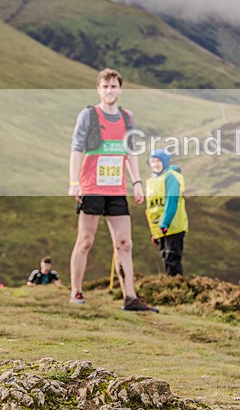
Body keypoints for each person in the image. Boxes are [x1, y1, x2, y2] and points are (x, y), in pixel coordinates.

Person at [68, 68, 159, 313]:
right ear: (98, 89)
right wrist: (74, 182)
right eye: (105, 86)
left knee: (124, 243)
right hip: (91, 187)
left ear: (120, 89)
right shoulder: (89, 115)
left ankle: (130, 297)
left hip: (117, 189)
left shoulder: (127, 118)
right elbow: (77, 149)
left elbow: (130, 153)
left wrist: (137, 182)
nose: (110, 90)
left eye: (114, 86)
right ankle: (76, 291)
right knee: (86, 241)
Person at [145, 149, 188, 276]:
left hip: (173, 226)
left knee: (172, 258)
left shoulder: (171, 177)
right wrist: (155, 233)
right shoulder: (152, 181)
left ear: (165, 162)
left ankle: (177, 288)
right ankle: (172, 288)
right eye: (152, 161)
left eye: (158, 161)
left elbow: (172, 201)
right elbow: (153, 208)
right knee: (165, 258)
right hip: (161, 228)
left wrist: (165, 223)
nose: (155, 164)